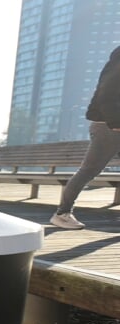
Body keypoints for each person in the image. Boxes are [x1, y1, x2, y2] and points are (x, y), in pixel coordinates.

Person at [50, 46, 120, 230]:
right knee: (89, 170)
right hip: (109, 126)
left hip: (111, 124)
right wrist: (115, 122)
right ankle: (62, 214)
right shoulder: (118, 63)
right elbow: (106, 94)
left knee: (88, 170)